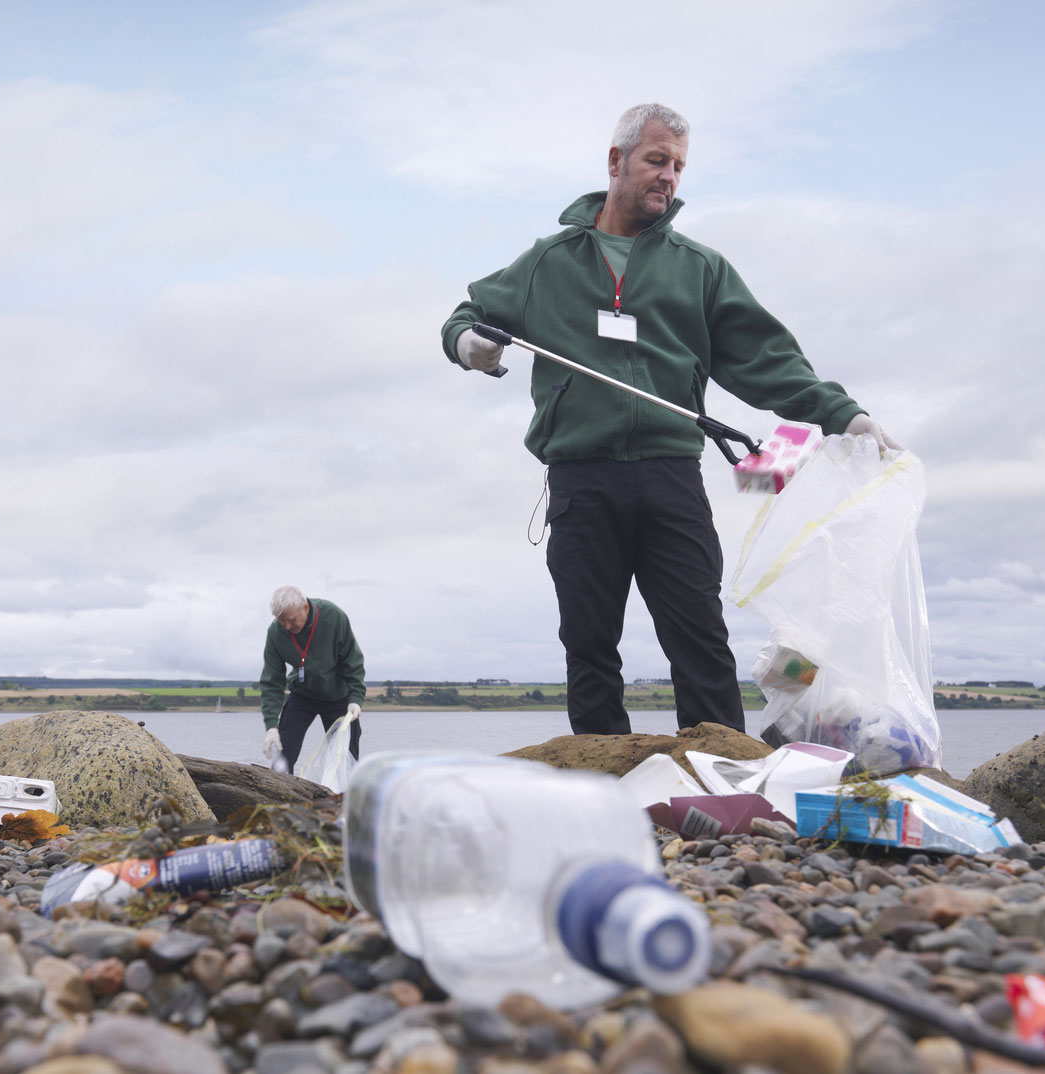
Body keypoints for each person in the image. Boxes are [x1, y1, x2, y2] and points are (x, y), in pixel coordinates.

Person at [440, 102, 902, 737]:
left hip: (671, 477)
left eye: (679, 167)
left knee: (700, 640)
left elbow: (768, 361)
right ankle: (604, 783)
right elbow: (465, 316)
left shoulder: (700, 268)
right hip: (580, 479)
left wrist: (845, 416)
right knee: (589, 645)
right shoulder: (547, 262)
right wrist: (470, 347)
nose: (668, 177)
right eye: (657, 160)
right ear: (616, 161)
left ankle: (724, 783)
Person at [259, 586, 365, 770]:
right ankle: (281, 795)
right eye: (281, 621)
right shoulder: (276, 633)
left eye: (291, 620)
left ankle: (345, 796)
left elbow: (352, 660)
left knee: (346, 755)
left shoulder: (333, 617)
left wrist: (356, 699)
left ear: (305, 608)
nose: (287, 627)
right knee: (284, 750)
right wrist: (271, 725)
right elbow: (272, 680)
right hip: (302, 694)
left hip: (338, 695)